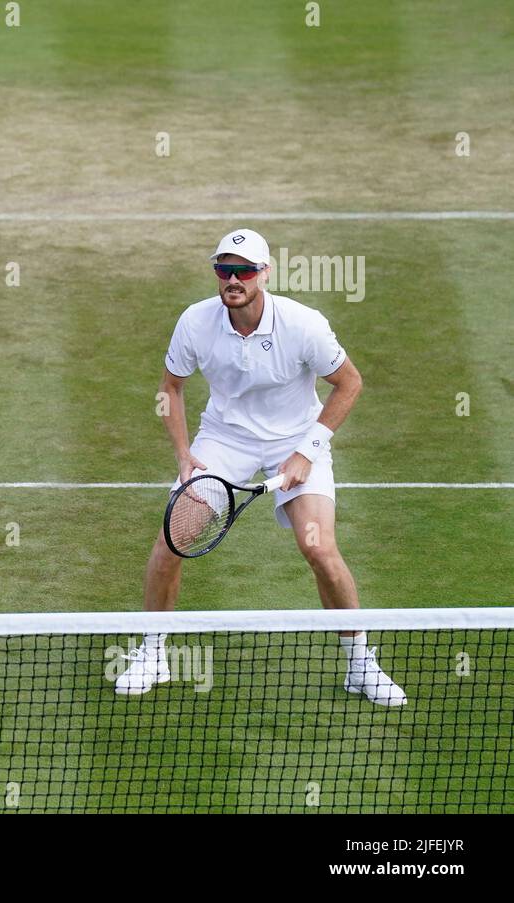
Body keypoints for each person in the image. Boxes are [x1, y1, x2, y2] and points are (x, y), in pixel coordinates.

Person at [117, 228, 406, 706]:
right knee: (172, 541)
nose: (233, 279)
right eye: (224, 269)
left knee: (320, 550)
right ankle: (152, 653)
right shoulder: (195, 322)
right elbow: (171, 387)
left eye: (244, 270)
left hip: (296, 438)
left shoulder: (303, 324)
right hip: (224, 441)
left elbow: (349, 384)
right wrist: (185, 456)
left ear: (264, 274)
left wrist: (306, 451)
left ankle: (360, 663)